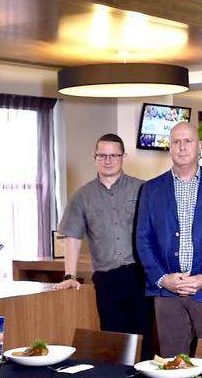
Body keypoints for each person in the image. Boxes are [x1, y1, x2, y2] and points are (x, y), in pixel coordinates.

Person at [136, 122, 202, 358]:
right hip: (167, 291)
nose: (182, 147)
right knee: (173, 363)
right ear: (169, 147)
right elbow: (143, 239)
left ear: (199, 146)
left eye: (188, 141)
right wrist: (163, 278)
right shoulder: (151, 189)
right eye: (176, 142)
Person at [56, 134, 151, 350]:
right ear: (95, 157)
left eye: (113, 155)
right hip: (107, 280)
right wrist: (69, 275)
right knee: (114, 342)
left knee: (144, 338)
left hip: (140, 276)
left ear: (123, 157)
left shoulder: (143, 189)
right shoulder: (82, 196)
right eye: (102, 155)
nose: (108, 160)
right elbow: (72, 237)